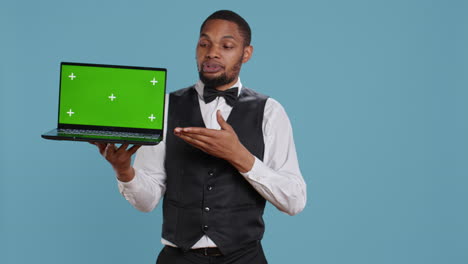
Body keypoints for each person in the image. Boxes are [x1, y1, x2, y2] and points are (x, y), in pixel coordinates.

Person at [93, 10, 306, 264]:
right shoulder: (165, 107)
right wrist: (124, 171)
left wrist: (240, 156)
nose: (212, 52)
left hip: (245, 258)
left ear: (246, 53)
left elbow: (294, 200)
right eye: (204, 44)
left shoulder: (270, 112)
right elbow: (146, 201)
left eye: (226, 46)